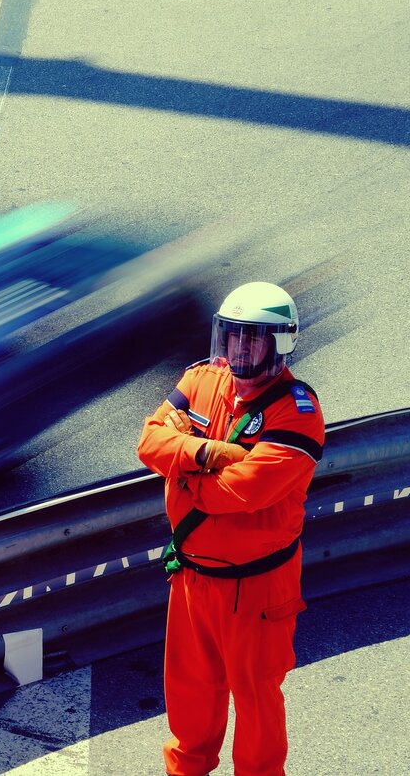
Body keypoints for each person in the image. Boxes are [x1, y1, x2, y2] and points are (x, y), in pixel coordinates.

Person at [137, 281, 325, 776]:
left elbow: (242, 493)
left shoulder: (298, 413)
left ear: (280, 343)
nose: (238, 348)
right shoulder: (201, 379)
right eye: (233, 335)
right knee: (189, 691)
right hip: (194, 578)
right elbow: (149, 441)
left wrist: (181, 480)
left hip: (258, 588)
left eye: (253, 338)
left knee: (257, 699)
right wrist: (204, 452)